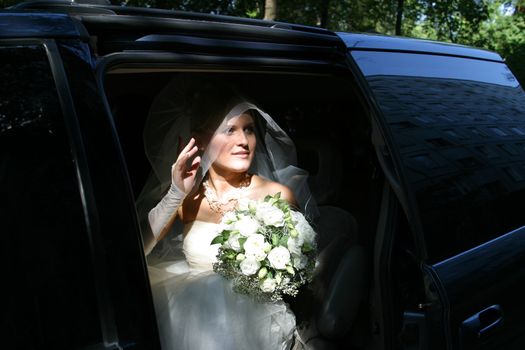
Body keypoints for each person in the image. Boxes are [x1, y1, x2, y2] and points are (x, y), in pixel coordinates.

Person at [139, 75, 316, 350]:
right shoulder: (187, 198)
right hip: (190, 321)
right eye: (230, 130)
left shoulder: (277, 195)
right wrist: (177, 191)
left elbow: (300, 273)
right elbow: (141, 249)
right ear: (201, 139)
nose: (243, 141)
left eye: (249, 129)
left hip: (258, 327)